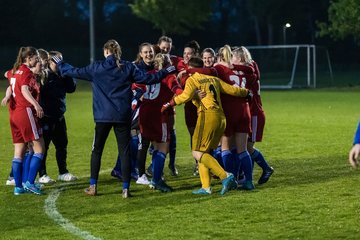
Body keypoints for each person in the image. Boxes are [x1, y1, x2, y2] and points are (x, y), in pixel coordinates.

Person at [52, 39, 175, 198]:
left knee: (97, 151)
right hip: (122, 116)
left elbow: (74, 71)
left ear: (105, 52)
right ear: (119, 52)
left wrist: (61, 63)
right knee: (124, 152)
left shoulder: (96, 67)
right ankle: (125, 189)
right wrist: (166, 71)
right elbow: (148, 78)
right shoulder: (128, 67)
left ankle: (93, 187)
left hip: (102, 117)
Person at [162, 57, 251, 195]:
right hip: (221, 118)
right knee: (204, 152)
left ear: (190, 68)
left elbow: (184, 97)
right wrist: (246, 92)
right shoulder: (213, 79)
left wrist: (169, 104)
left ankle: (225, 176)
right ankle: (206, 187)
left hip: (207, 116)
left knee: (196, 152)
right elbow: (232, 89)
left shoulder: (192, 79)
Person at [3, 46, 45, 195]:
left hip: (13, 114)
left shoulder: (14, 70)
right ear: (29, 58)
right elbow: (24, 90)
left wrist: (8, 96)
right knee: (40, 148)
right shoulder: (26, 71)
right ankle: (30, 183)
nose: (37, 60)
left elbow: (8, 79)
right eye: (35, 57)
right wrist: (36, 104)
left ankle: (18, 187)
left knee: (19, 151)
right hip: (25, 111)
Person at [139, 53, 183, 192]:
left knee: (155, 146)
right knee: (163, 147)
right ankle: (157, 179)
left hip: (144, 113)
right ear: (167, 64)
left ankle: (153, 178)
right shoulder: (169, 76)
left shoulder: (148, 74)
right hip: (159, 114)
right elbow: (179, 92)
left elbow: (135, 87)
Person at [232, 46, 274, 184]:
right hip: (247, 113)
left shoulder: (250, 70)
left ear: (239, 58)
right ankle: (243, 176)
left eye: (233, 57)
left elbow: (251, 72)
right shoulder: (247, 68)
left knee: (247, 148)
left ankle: (266, 168)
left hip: (255, 113)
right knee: (242, 147)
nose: (231, 60)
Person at [214, 45, 254, 190]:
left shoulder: (220, 68)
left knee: (225, 148)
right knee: (242, 149)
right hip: (244, 111)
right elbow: (251, 72)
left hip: (229, 111)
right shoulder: (247, 71)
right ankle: (249, 181)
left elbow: (208, 71)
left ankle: (231, 179)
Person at [37, 50, 77, 184]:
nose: (59, 63)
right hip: (46, 117)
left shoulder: (63, 75)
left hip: (59, 117)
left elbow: (71, 89)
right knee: (43, 147)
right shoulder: (44, 76)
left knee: (62, 146)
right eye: (56, 60)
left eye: (61, 60)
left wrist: (67, 74)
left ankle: (63, 172)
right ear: (49, 61)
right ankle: (42, 174)